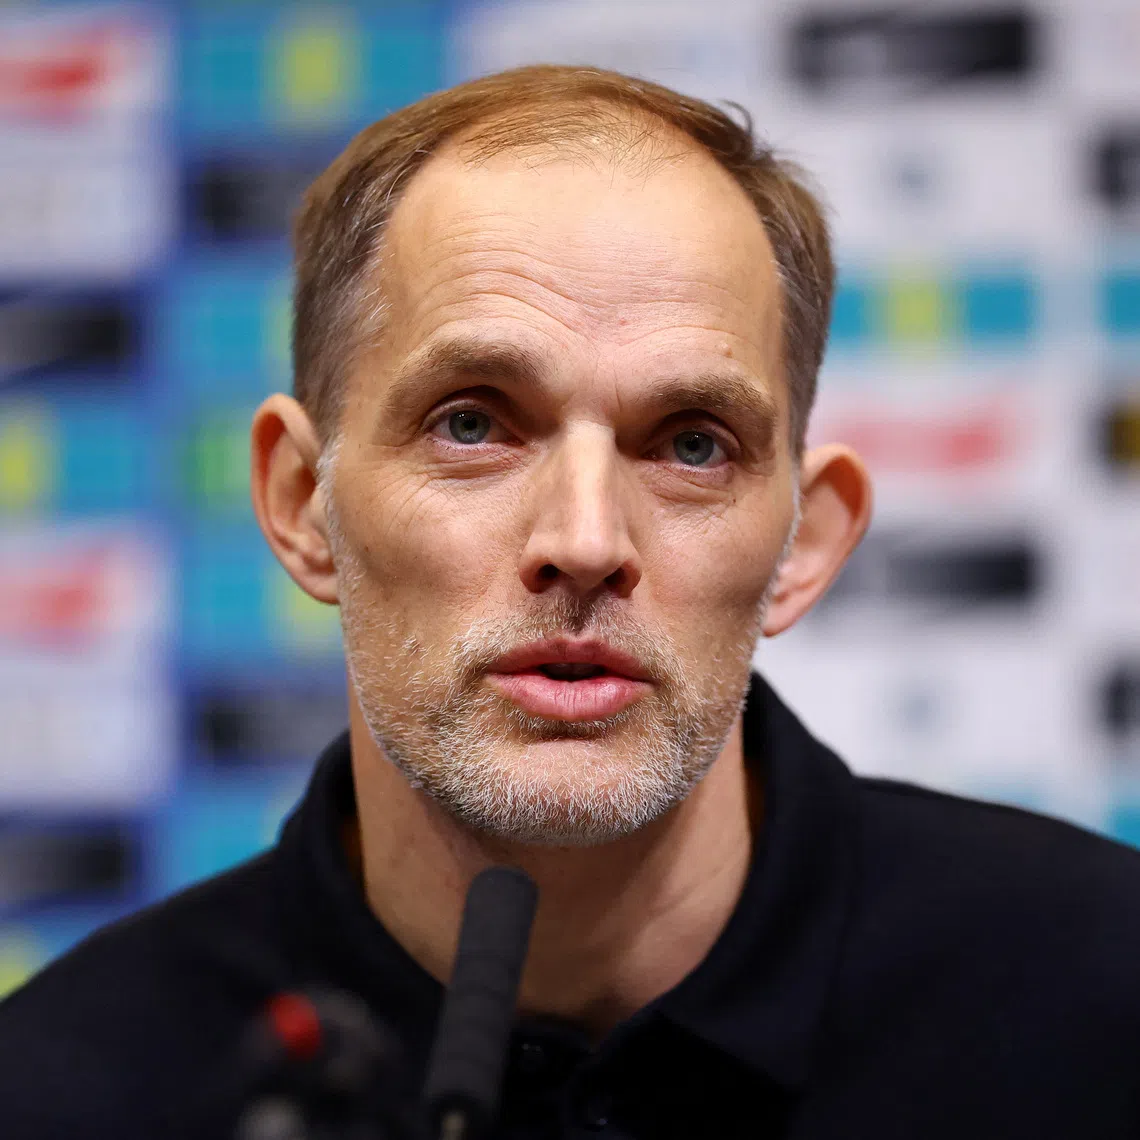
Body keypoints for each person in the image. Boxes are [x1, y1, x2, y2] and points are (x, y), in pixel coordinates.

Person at [1, 64, 1138, 1140]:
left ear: (805, 542)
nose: (586, 542)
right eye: (473, 424)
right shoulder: (66, 1091)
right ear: (304, 504)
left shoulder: (1101, 997)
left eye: (692, 444)